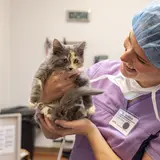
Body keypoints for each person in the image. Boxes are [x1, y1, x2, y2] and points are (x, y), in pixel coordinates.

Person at [37, 2, 160, 160]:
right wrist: (47, 99)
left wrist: (89, 130)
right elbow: (51, 133)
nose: (123, 57)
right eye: (129, 40)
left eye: (140, 59)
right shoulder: (100, 72)